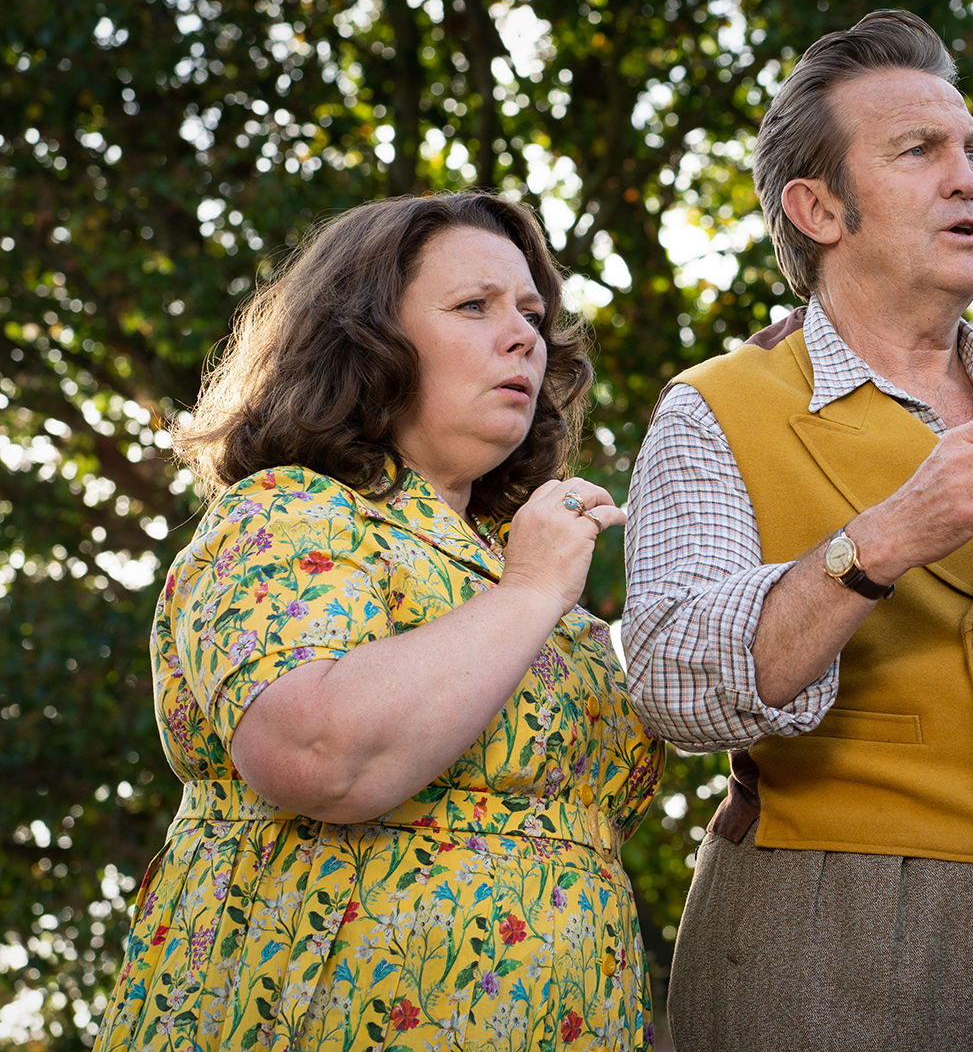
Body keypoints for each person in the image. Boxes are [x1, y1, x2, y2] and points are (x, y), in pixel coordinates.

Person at [622, 9, 973, 1052]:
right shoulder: (713, 408)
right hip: (827, 916)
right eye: (919, 151)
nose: (966, 179)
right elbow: (668, 677)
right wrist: (880, 542)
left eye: (971, 152)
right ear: (818, 209)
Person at [97, 193, 666, 1051]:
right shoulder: (287, 514)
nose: (523, 336)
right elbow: (317, 753)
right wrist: (528, 592)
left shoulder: (519, 556)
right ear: (365, 340)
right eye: (474, 306)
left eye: (531, 314)